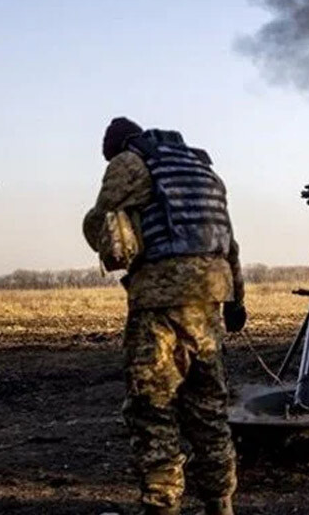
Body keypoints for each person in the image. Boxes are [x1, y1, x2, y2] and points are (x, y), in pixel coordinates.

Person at [83, 117, 245, 515]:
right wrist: (237, 299)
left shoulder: (129, 163)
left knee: (153, 409)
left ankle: (162, 506)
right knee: (209, 411)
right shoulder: (201, 169)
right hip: (209, 302)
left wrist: (111, 235)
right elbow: (228, 239)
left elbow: (101, 223)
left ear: (117, 146)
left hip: (159, 305)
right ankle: (220, 504)